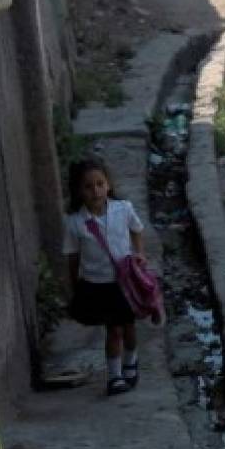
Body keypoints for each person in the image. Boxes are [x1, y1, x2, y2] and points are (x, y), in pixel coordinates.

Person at [62, 158, 147, 396]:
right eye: (88, 186)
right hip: (99, 285)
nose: (95, 190)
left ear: (108, 185)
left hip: (126, 281)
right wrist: (73, 285)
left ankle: (131, 361)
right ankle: (115, 376)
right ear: (79, 192)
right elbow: (72, 256)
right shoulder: (75, 222)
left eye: (100, 184)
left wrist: (139, 254)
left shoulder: (123, 209)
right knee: (114, 330)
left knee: (129, 329)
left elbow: (137, 230)